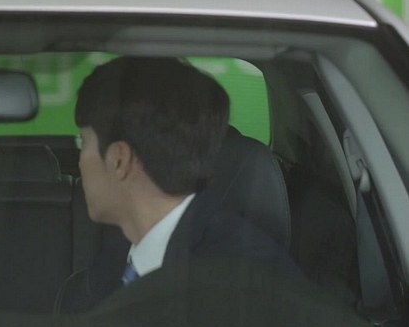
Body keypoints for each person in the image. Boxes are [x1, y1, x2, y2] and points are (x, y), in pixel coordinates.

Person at [58, 56, 292, 313]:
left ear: (119, 160)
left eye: (84, 142)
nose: (80, 162)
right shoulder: (121, 256)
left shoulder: (241, 284)